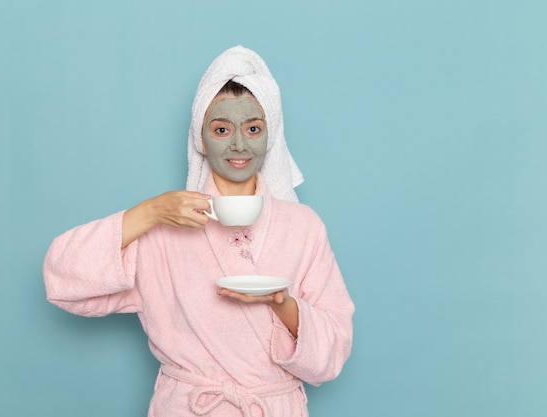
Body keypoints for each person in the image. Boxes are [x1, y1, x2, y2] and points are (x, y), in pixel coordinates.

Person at [43, 45, 355, 417]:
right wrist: (150, 212)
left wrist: (282, 304)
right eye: (221, 129)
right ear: (200, 138)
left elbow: (332, 356)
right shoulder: (166, 226)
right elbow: (62, 280)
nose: (239, 144)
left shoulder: (304, 227)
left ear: (270, 136)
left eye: (253, 128)